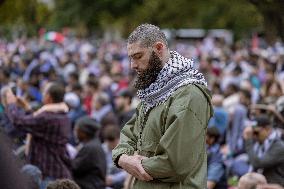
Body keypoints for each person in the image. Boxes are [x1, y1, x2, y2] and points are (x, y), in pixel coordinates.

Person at [112, 24, 213, 189]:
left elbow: (175, 164)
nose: (133, 65)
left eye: (138, 56)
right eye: (131, 58)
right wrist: (122, 158)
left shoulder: (188, 95)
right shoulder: (154, 90)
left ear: (158, 48)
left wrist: (134, 164)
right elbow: (129, 134)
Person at [4, 82, 72, 185]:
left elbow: (18, 121)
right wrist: (27, 108)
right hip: (56, 168)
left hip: (49, 172)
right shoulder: (61, 114)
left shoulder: (48, 117)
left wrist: (11, 104)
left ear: (48, 97)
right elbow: (38, 125)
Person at [243, 115, 284, 186]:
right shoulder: (260, 142)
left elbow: (258, 164)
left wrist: (248, 141)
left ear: (267, 129)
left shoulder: (279, 146)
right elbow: (251, 159)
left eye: (256, 132)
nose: (253, 136)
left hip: (275, 185)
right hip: (261, 183)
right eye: (252, 133)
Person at [72, 116, 107, 189]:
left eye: (77, 130)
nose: (75, 132)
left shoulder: (90, 148)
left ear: (84, 132)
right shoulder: (94, 144)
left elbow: (74, 168)